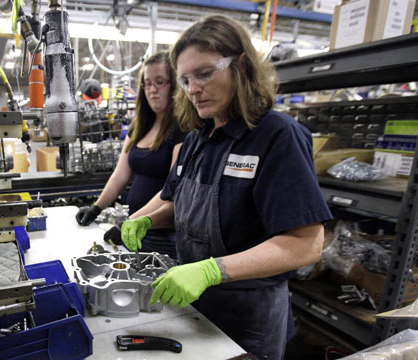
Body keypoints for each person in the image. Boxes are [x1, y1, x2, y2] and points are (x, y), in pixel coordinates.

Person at [120, 15, 332, 359]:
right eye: (185, 79)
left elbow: (306, 244)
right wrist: (147, 219)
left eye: (204, 73)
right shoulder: (198, 138)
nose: (192, 89)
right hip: (196, 301)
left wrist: (212, 269)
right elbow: (178, 200)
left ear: (242, 66)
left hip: (248, 312)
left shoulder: (276, 136)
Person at [75, 51, 187, 259]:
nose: (152, 90)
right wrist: (96, 207)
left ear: (174, 84)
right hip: (135, 230)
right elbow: (120, 174)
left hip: (164, 234)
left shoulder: (182, 129)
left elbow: (171, 189)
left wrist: (130, 222)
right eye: (147, 84)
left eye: (160, 82)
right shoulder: (140, 126)